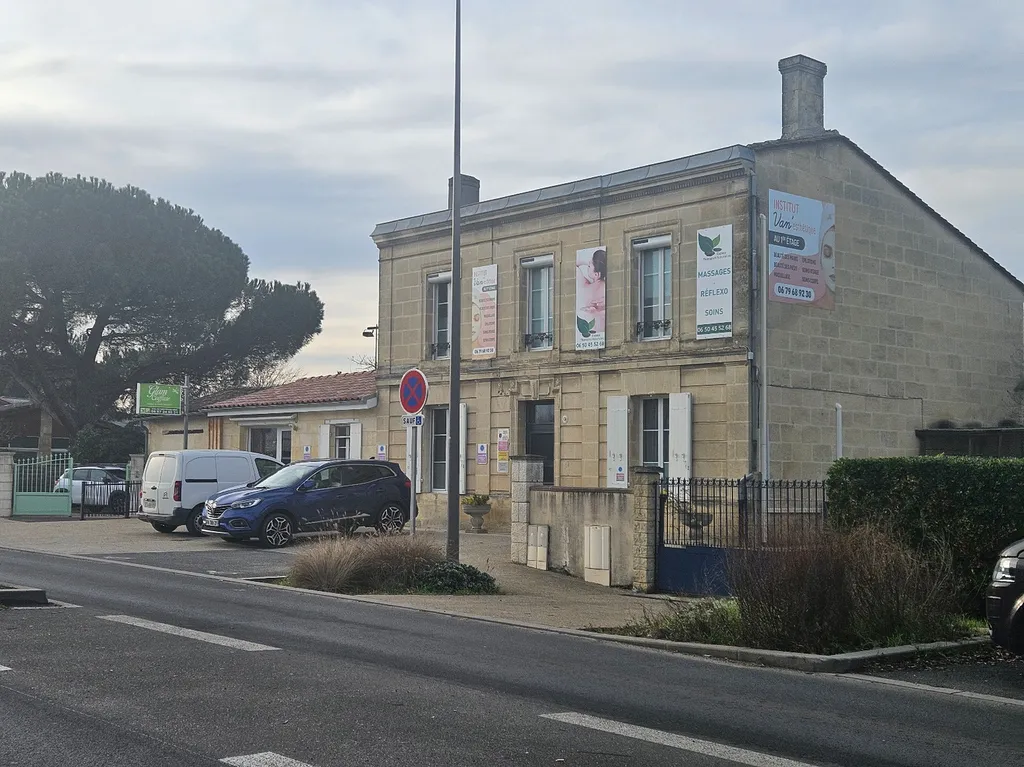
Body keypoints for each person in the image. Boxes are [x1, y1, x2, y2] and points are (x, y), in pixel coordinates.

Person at [576, 247, 607, 334]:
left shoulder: (586, 287)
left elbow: (575, 264)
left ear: (596, 274)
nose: (588, 264)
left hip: (593, 332)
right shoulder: (608, 287)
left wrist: (586, 262)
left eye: (589, 265)